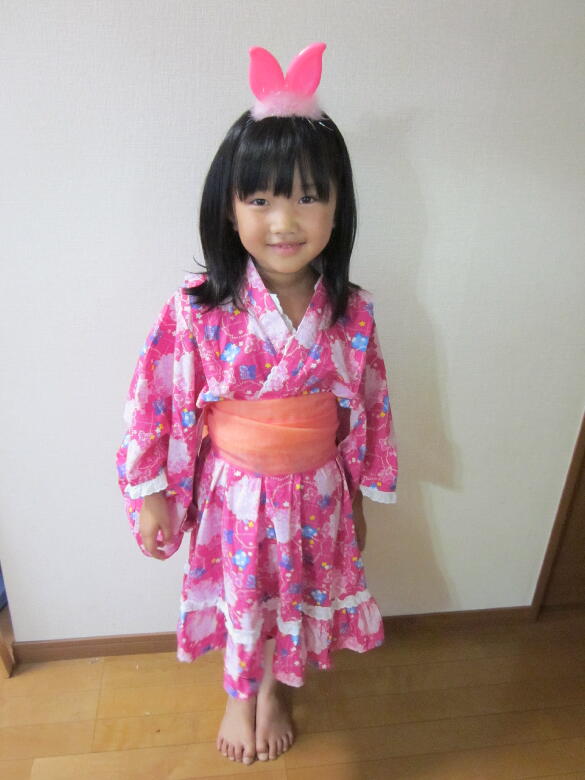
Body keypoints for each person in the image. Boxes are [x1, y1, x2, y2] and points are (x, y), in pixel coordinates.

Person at [116, 42, 398, 767]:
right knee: (244, 595)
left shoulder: (351, 313)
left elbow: (366, 405)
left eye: (308, 197)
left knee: (290, 596)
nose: (284, 221)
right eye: (261, 199)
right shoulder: (197, 309)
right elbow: (153, 399)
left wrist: (360, 491)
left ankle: (272, 688)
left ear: (338, 208)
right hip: (236, 493)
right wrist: (151, 493)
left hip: (317, 492)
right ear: (229, 207)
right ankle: (239, 696)